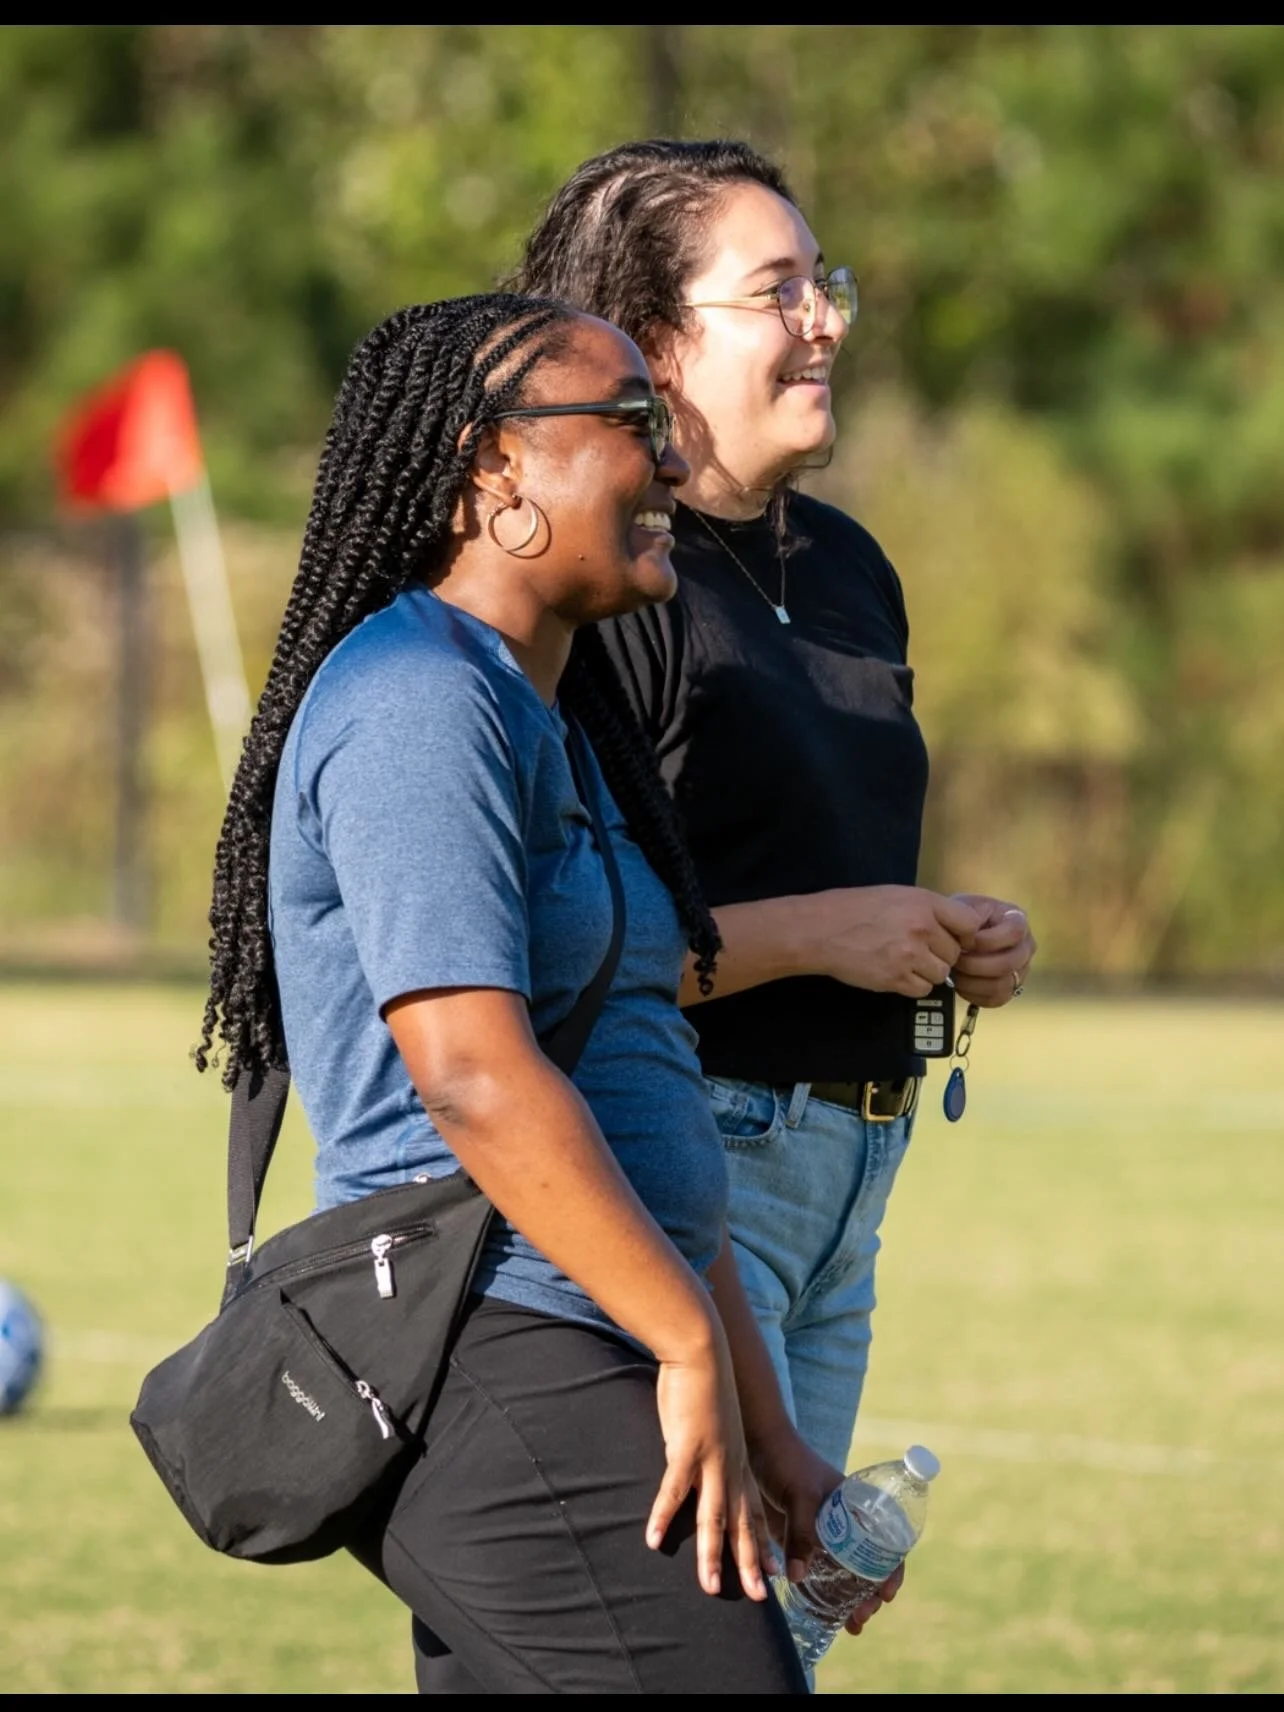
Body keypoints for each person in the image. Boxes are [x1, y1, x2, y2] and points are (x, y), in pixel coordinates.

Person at [194, 291, 844, 1693]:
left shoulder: (543, 715)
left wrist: (760, 1409)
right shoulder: (419, 700)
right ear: (494, 468)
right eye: (629, 425)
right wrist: (680, 1345)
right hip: (496, 1340)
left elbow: (628, 1086)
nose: (673, 463)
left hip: (579, 1333)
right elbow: (474, 1077)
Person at [516, 141, 1038, 1574]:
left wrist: (949, 938)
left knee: (782, 1625)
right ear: (656, 336)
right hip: (692, 1161)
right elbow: (564, 950)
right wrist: (823, 933)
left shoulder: (855, 563)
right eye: (779, 290)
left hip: (854, 1175)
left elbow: (830, 859)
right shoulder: (614, 580)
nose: (827, 321)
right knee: (694, 1630)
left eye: (830, 286)